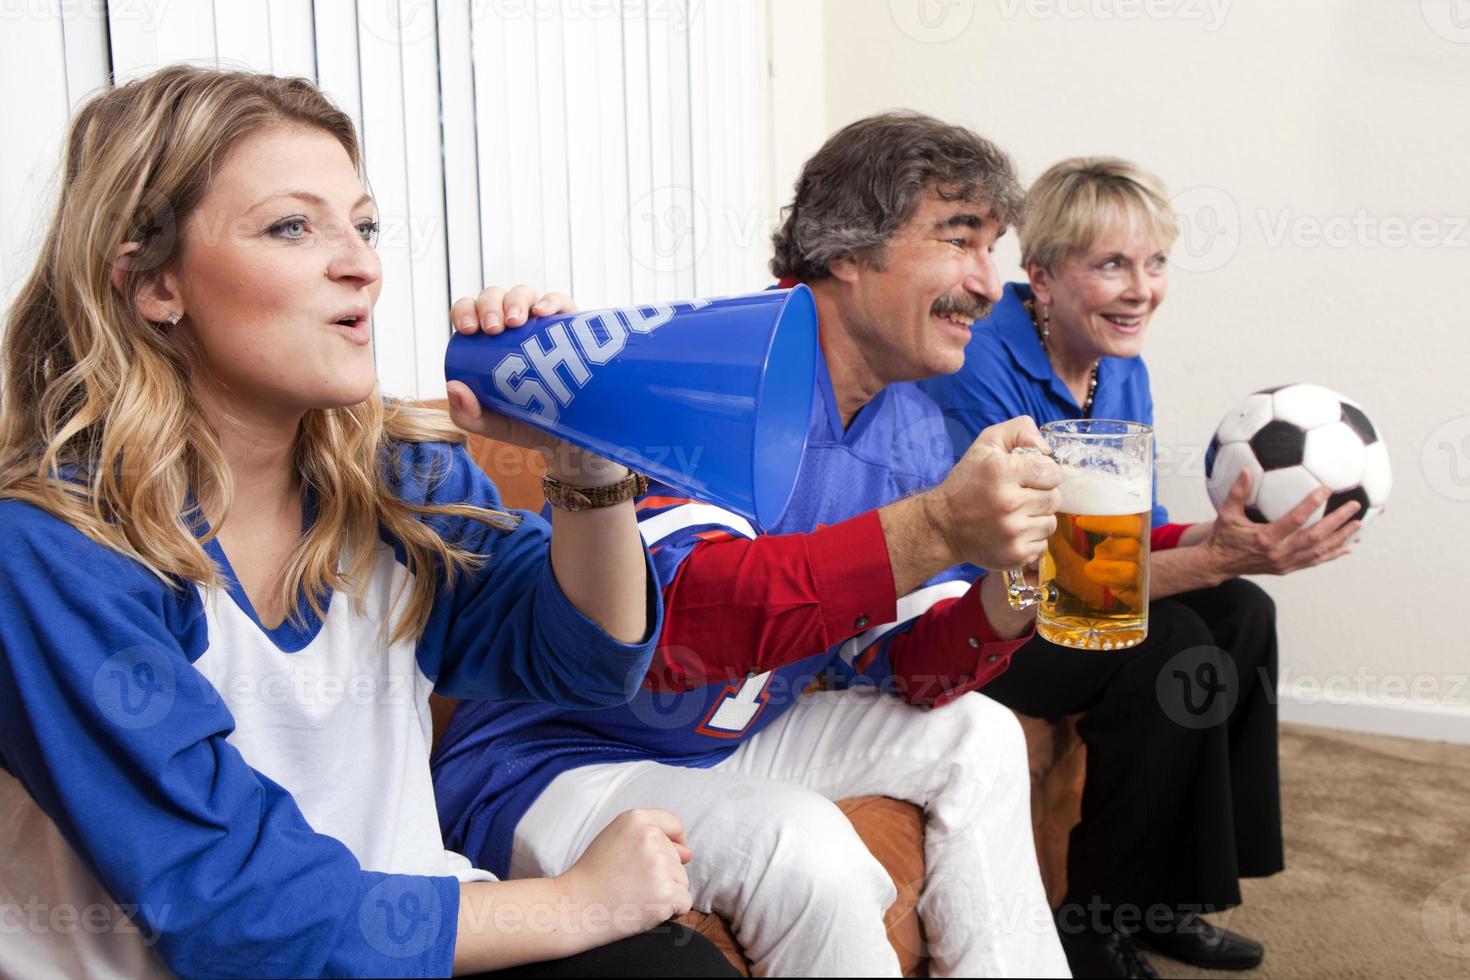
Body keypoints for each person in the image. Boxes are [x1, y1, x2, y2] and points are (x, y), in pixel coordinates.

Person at [0, 66, 737, 979]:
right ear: (154, 284)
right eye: (292, 226)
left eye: (365, 223)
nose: (361, 262)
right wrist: (581, 900)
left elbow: (588, 660)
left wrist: (581, 459)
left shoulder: (400, 476)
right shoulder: (48, 549)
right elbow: (240, 913)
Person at [434, 111, 1070, 978]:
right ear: (849, 249)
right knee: (803, 845)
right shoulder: (708, 365)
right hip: (555, 759)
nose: (989, 284)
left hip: (728, 736)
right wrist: (934, 530)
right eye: (961, 241)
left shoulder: (913, 422)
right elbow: (681, 625)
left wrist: (1020, 582)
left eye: (992, 249)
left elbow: (909, 673)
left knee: (980, 737)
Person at [919, 157, 1362, 978]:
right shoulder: (977, 367)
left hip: (1081, 590)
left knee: (1241, 613)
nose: (1141, 289)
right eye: (1111, 264)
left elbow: (1138, 534)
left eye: (1154, 263)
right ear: (1042, 277)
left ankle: (1169, 897)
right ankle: (1091, 925)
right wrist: (1218, 559)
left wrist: (1239, 544)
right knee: (1174, 644)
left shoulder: (1122, 366)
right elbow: (1042, 568)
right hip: (988, 611)